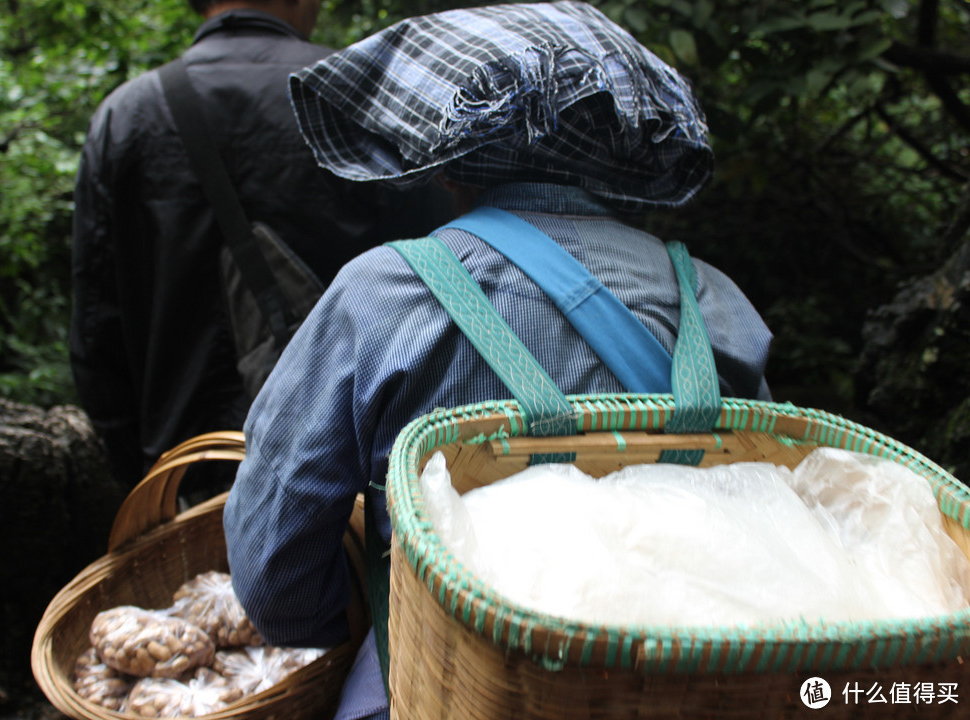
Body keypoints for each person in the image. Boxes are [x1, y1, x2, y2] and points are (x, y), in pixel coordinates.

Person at [223, 3, 774, 719]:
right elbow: (763, 512)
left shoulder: (384, 294)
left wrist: (373, 620)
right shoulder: (713, 300)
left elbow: (274, 579)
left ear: (451, 163)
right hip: (681, 689)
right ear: (616, 154)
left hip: (452, 691)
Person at [69, 0, 451, 491]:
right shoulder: (363, 99)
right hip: (352, 491)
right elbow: (440, 294)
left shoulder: (126, 117)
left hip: (188, 483)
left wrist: (144, 482)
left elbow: (97, 339)